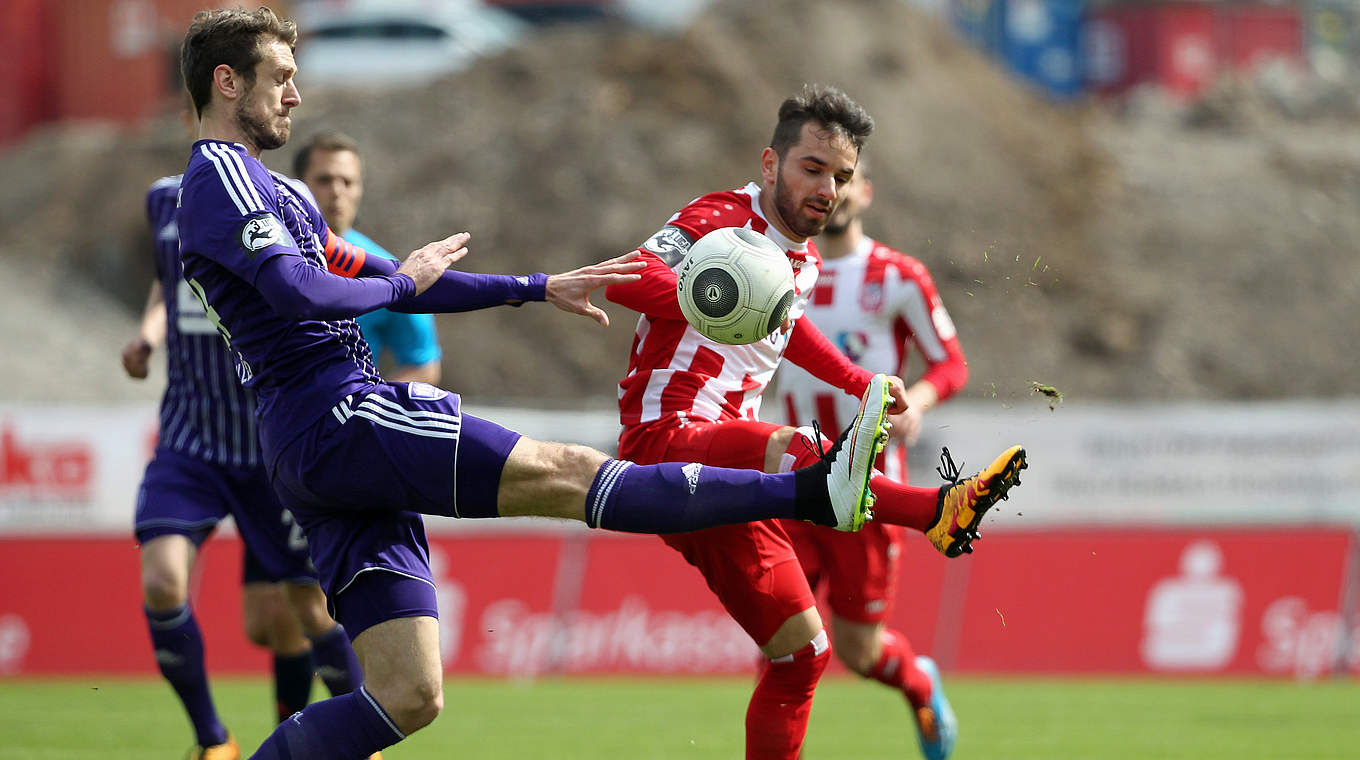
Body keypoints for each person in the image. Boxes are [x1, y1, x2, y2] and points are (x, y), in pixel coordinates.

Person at [175, 9, 890, 759]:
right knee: (571, 473)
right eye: (280, 78)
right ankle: (811, 492)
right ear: (227, 82)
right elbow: (303, 292)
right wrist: (401, 285)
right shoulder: (220, 176)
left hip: (314, 444)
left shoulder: (271, 189)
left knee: (408, 696)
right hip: (336, 410)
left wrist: (537, 285)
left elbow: (383, 281)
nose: (294, 95)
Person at [603, 85, 1026, 760]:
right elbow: (624, 279)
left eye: (842, 176)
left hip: (733, 476)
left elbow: (788, 331)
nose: (827, 188)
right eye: (812, 168)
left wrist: (865, 385)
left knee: (805, 656)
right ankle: (937, 511)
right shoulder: (721, 218)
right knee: (804, 451)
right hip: (669, 439)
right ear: (771, 165)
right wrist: (716, 292)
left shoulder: (806, 263)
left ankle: (919, 617)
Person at [122, 171, 365, 759]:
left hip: (268, 445)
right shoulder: (162, 198)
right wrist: (149, 334)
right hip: (190, 440)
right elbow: (166, 279)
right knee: (162, 580)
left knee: (302, 613)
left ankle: (360, 740)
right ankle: (214, 742)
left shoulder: (282, 199)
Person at [770, 160, 968, 760]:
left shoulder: (899, 276)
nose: (833, 192)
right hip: (794, 481)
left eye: (846, 179)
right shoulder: (775, 272)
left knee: (859, 652)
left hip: (870, 492)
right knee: (780, 639)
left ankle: (919, 683)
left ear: (864, 192)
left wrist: (919, 405)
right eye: (821, 178)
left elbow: (951, 363)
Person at [294, 131, 442, 384]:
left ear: (360, 189)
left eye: (348, 182)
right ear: (298, 185)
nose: (337, 191)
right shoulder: (271, 253)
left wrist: (367, 407)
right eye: (324, 180)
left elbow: (424, 365)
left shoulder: (389, 272)